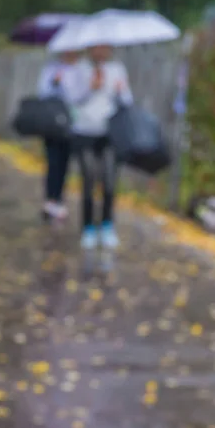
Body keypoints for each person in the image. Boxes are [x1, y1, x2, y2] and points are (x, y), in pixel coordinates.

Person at [59, 45, 133, 272]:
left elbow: (127, 100)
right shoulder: (79, 70)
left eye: (105, 48)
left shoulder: (117, 69)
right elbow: (71, 98)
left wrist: (120, 91)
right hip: (84, 131)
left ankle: (107, 226)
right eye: (97, 48)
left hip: (108, 132)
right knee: (89, 179)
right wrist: (91, 88)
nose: (101, 52)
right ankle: (88, 228)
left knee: (109, 181)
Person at [36, 50, 81, 222]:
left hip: (71, 124)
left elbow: (77, 97)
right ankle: (50, 199)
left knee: (65, 163)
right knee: (52, 162)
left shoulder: (80, 71)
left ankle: (60, 199)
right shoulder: (51, 69)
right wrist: (55, 82)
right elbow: (43, 93)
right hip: (52, 124)